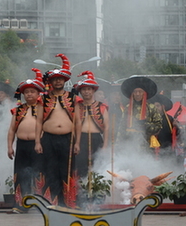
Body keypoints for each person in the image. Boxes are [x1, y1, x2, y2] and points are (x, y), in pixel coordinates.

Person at [35, 54, 81, 207]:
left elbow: (78, 122)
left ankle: (69, 201)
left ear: (64, 80)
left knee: (67, 170)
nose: (58, 81)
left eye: (60, 78)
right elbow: (39, 121)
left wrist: (77, 143)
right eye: (55, 79)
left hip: (67, 139)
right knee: (50, 169)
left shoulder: (73, 98)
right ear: (51, 82)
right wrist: (37, 142)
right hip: (48, 138)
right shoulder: (44, 99)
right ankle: (53, 201)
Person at [7, 68, 45, 213]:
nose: (29, 94)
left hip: (38, 146)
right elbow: (11, 130)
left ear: (38, 93)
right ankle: (21, 204)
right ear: (23, 95)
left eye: (32, 92)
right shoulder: (18, 110)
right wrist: (10, 146)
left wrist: (39, 142)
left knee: (38, 174)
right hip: (21, 145)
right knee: (21, 174)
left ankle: (38, 204)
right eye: (26, 92)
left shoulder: (43, 109)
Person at [74, 71, 109, 182]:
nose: (86, 92)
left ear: (93, 90)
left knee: (98, 167)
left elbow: (107, 127)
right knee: (81, 168)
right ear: (80, 91)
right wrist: (77, 143)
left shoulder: (101, 107)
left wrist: (105, 146)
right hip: (82, 138)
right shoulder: (78, 106)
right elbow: (77, 125)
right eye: (84, 89)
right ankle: (82, 193)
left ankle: (97, 194)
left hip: (97, 138)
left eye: (89, 89)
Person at [117, 76, 162, 150]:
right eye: (135, 92)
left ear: (144, 93)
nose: (137, 94)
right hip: (129, 144)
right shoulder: (127, 108)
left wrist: (145, 125)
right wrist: (118, 145)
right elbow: (122, 127)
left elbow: (158, 126)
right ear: (132, 94)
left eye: (140, 91)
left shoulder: (151, 108)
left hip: (146, 145)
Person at [149, 93, 179, 162]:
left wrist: (176, 126)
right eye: (154, 106)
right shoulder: (148, 119)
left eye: (157, 106)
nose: (155, 108)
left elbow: (178, 135)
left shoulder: (170, 119)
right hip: (152, 152)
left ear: (163, 107)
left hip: (167, 151)